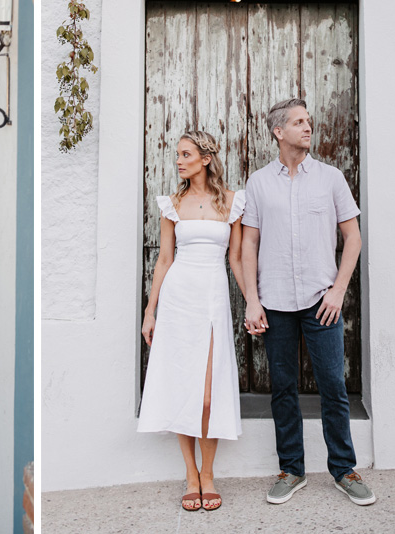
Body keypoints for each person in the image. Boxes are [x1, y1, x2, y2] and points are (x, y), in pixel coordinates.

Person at [242, 98, 373, 506]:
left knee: (333, 386)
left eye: (308, 121)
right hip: (275, 302)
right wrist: (252, 301)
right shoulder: (259, 183)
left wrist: (338, 290)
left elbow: (353, 238)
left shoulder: (331, 178)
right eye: (298, 122)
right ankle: (292, 469)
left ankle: (344, 470)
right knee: (283, 389)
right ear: (278, 131)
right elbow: (248, 244)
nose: (308, 127)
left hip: (322, 302)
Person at [138, 131, 246, 512]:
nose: (179, 161)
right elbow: (164, 260)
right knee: (182, 386)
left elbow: (235, 259)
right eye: (178, 155)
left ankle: (209, 473)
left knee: (207, 394)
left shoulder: (232, 202)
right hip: (177, 299)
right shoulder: (172, 204)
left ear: (205, 158)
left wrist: (253, 302)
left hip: (212, 299)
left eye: (186, 154)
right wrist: (150, 311)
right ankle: (191, 475)